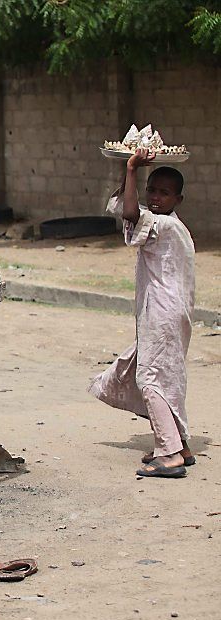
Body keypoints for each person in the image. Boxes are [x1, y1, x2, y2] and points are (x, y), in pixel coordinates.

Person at [89, 147, 196, 478]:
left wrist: (132, 169)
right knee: (162, 374)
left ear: (178, 199)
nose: (156, 197)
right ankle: (179, 443)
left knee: (150, 377)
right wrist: (129, 172)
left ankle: (171, 454)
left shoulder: (166, 225)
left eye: (164, 193)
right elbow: (128, 208)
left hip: (164, 313)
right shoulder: (164, 224)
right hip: (164, 312)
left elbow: (131, 214)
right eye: (153, 189)